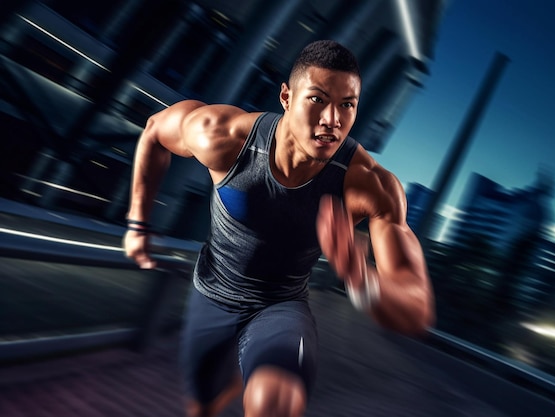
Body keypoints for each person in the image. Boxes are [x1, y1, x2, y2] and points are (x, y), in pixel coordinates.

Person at [123, 39, 434, 417]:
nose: (332, 120)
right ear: (286, 97)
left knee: (276, 402)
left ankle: (258, 371)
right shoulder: (227, 136)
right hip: (211, 294)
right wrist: (138, 223)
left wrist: (359, 277)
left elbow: (416, 309)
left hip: (280, 308)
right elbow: (156, 130)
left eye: (347, 105)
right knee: (202, 406)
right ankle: (233, 380)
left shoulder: (368, 184)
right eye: (318, 99)